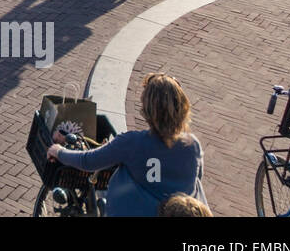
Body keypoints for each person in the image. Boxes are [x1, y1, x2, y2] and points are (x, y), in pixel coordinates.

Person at [48, 73, 206, 216]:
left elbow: (88, 161)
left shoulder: (131, 142)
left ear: (147, 110)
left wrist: (59, 151)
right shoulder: (193, 145)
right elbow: (196, 178)